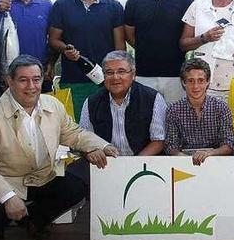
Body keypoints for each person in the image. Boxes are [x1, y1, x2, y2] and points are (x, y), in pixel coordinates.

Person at [0, 55, 119, 240]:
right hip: (4, 179)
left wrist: (101, 146)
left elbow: (73, 133)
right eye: (23, 80)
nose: (31, 86)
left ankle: (33, 221)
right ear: (9, 82)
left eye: (36, 79)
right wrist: (8, 197)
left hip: (41, 177)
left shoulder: (53, 105)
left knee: (76, 187)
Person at [69, 51, 167, 185]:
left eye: (121, 71)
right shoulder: (91, 102)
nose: (115, 77)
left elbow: (159, 140)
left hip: (144, 162)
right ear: (103, 75)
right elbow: (83, 138)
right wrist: (90, 151)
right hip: (105, 164)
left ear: (133, 74)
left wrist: (132, 165)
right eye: (109, 72)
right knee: (71, 176)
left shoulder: (152, 98)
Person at [48, 0, 125, 120]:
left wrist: (117, 75)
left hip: (106, 81)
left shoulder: (114, 7)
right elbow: (53, 39)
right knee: (76, 132)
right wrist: (65, 50)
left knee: (107, 129)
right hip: (73, 81)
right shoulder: (62, 6)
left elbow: (120, 48)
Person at [124, 0, 193, 104]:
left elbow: (188, 38)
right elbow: (129, 35)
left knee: (174, 122)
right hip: (143, 75)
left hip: (176, 76)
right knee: (145, 121)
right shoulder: (134, 2)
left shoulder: (187, 2)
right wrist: (147, 47)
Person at [164, 58, 234, 164]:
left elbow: (229, 145)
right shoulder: (173, 110)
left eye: (201, 80)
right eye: (191, 81)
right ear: (183, 82)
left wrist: (209, 154)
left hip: (216, 161)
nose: (196, 86)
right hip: (182, 162)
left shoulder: (221, 108)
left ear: (208, 82)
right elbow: (171, 146)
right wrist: (186, 160)